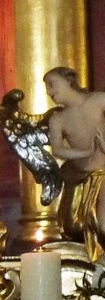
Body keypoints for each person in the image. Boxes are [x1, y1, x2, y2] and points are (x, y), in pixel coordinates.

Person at [44, 66, 105, 261]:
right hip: (79, 176)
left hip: (103, 173)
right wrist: (84, 152)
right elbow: (57, 149)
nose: (49, 92)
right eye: (47, 87)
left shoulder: (98, 100)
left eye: (52, 84)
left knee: (102, 224)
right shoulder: (58, 119)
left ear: (68, 81)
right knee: (72, 225)